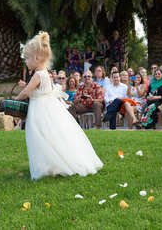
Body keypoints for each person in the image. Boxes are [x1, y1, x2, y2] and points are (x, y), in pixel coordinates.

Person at [15, 31, 103, 180]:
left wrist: (15, 99)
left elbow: (26, 91)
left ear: (37, 58)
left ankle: (51, 164)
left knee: (40, 136)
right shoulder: (45, 73)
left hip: (41, 110)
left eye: (27, 58)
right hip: (48, 107)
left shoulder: (38, 75)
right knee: (52, 135)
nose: (26, 61)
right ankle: (52, 163)